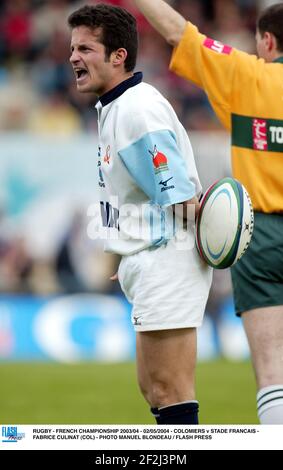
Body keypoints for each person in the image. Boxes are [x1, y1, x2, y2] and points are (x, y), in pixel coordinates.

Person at [133, 0, 283, 424]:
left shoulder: (248, 73)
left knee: (274, 372)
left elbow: (180, 33)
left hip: (262, 234)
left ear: (268, 42)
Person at [68, 3, 212, 425]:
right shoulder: (115, 106)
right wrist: (129, 249)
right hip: (149, 258)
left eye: (86, 48)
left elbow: (181, 198)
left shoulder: (136, 110)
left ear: (119, 56)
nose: (74, 57)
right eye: (73, 48)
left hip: (167, 259)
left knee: (171, 392)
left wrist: (160, 251)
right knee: (154, 390)